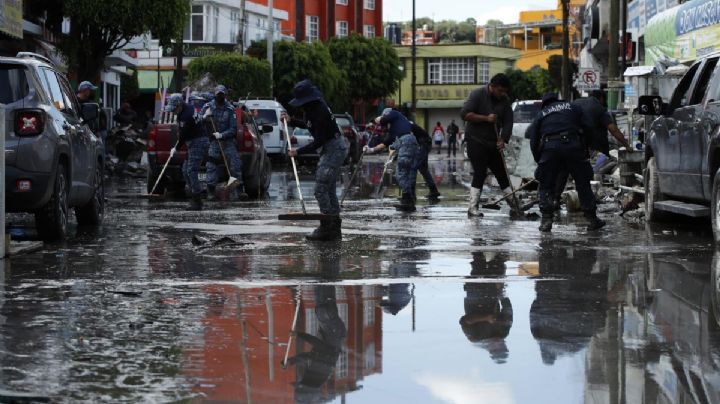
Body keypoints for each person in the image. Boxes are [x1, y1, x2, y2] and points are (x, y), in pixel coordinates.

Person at [529, 92, 605, 232]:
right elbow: (589, 127)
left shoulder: (542, 114)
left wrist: (539, 159)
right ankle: (592, 219)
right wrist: (585, 148)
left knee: (546, 185)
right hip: (573, 146)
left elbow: (533, 140)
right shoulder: (573, 107)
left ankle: (546, 220)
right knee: (582, 183)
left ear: (545, 103)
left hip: (550, 148)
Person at [284, 79, 348, 241]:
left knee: (321, 188)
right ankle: (334, 226)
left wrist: (298, 152)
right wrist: (293, 121)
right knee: (329, 189)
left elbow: (318, 141)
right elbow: (309, 124)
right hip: (332, 148)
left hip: (333, 148)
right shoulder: (313, 108)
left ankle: (328, 226)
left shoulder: (319, 110)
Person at [554, 90, 633, 208]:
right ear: (601, 98)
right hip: (587, 145)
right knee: (585, 174)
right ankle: (588, 205)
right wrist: (626, 145)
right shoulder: (599, 108)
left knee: (565, 170)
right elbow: (613, 129)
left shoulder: (575, 103)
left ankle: (555, 199)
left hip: (566, 142)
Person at [460, 73, 518, 217]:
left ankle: (515, 206)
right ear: (492, 86)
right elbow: (465, 114)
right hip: (476, 140)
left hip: (493, 142)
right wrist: (486, 118)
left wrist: (503, 139)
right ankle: (472, 208)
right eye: (500, 90)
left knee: (502, 174)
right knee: (480, 172)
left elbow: (508, 122)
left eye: (505, 91)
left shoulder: (504, 100)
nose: (502, 94)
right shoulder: (477, 94)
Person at [364, 108, 420, 212]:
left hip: (406, 143)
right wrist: (370, 150)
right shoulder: (396, 129)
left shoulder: (395, 113)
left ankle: (408, 201)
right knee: (408, 174)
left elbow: (384, 119)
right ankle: (408, 201)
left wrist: (378, 119)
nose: (385, 127)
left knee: (401, 173)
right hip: (413, 144)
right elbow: (384, 144)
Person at [201, 85, 248, 201]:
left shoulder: (230, 109)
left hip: (227, 141)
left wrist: (222, 135)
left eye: (222, 95)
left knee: (235, 163)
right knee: (211, 164)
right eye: (218, 95)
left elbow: (233, 129)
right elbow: (198, 122)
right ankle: (211, 191)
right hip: (213, 141)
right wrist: (204, 116)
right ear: (215, 95)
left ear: (225, 95)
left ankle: (239, 189)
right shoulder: (208, 107)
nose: (220, 97)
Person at [165, 93, 209, 211]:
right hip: (192, 142)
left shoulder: (186, 115)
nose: (173, 111)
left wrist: (176, 148)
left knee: (191, 170)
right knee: (185, 170)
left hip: (198, 142)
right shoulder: (187, 107)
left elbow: (183, 135)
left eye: (174, 109)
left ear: (179, 105)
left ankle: (197, 200)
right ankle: (195, 192)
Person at [411, 121, 441, 200]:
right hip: (425, 143)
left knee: (414, 167)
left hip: (423, 143)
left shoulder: (404, 125)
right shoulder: (406, 123)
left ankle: (410, 194)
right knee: (423, 169)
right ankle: (433, 190)